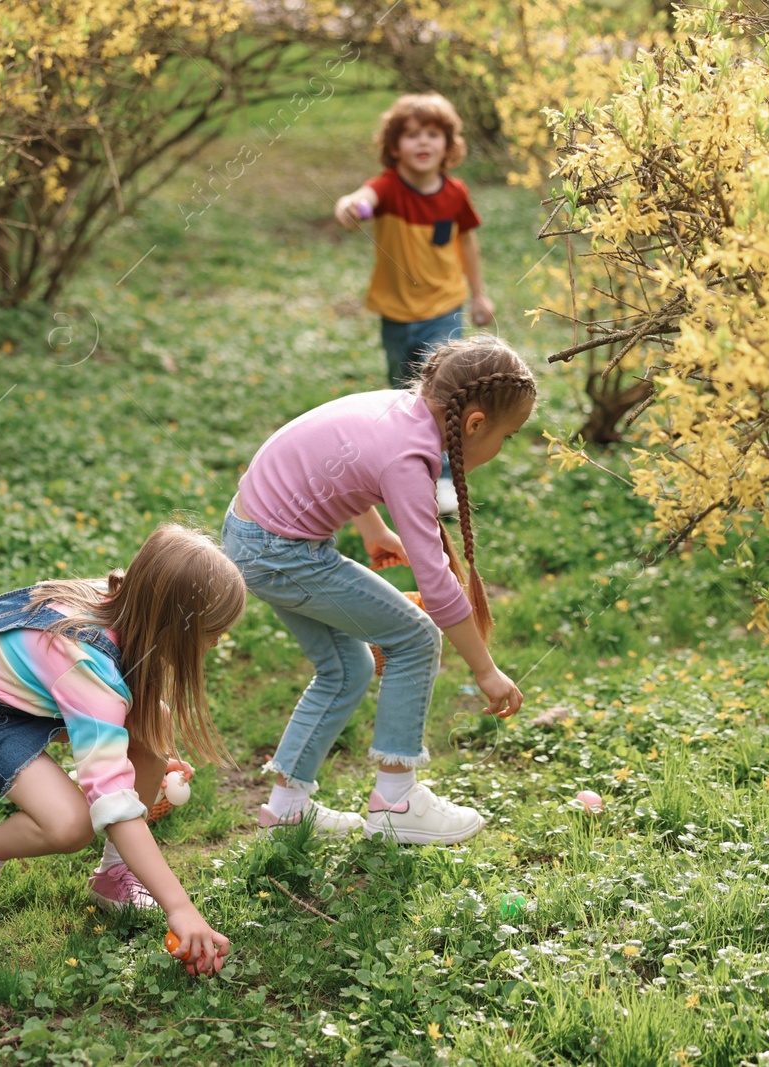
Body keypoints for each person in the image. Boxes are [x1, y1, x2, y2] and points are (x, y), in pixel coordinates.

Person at [222, 336, 532, 845]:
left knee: (347, 668)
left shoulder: (394, 409)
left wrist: (373, 530)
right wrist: (486, 670)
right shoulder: (409, 460)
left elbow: (339, 458)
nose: (504, 447)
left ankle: (287, 810)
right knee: (415, 638)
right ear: (475, 424)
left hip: (250, 535)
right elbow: (437, 586)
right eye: (509, 436)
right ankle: (397, 802)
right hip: (280, 553)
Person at [0, 524, 242, 975]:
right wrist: (180, 907)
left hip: (41, 689)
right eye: (212, 633)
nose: (217, 643)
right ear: (175, 626)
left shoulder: (134, 604)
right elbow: (113, 806)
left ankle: (115, 877)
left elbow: (128, 710)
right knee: (71, 825)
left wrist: (144, 761)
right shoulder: (88, 668)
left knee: (153, 725)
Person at [333, 92, 495, 517]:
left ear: (447, 144)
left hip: (442, 308)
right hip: (396, 314)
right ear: (394, 146)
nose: (423, 143)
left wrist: (479, 294)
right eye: (411, 135)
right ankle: (405, 467)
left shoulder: (455, 193)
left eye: (432, 134)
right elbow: (357, 200)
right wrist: (351, 208)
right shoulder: (386, 189)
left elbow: (467, 242)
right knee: (403, 393)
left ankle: (442, 476)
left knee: (443, 392)